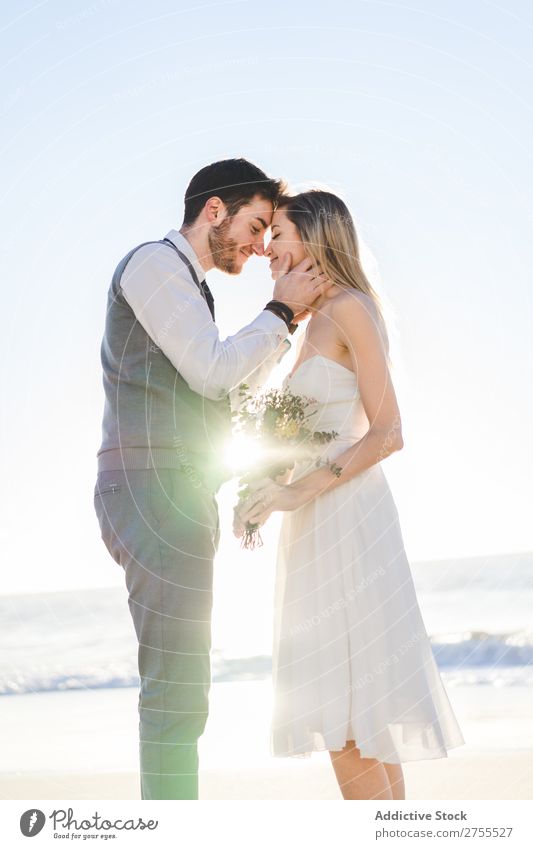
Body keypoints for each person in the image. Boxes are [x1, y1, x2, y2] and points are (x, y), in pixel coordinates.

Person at [93, 159, 330, 800]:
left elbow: (222, 394)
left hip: (170, 489)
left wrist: (285, 327)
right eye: (256, 226)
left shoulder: (187, 286)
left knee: (183, 685)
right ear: (215, 210)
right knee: (176, 688)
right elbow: (210, 371)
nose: (259, 246)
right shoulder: (152, 264)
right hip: (153, 487)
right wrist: (279, 312)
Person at [234, 189, 465, 800]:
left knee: (351, 717)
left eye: (276, 233)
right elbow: (304, 433)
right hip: (312, 522)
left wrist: (296, 492)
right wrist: (265, 490)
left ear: (313, 239)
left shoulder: (350, 308)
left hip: (346, 519)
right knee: (350, 718)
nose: (266, 248)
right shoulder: (310, 320)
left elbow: (388, 432)